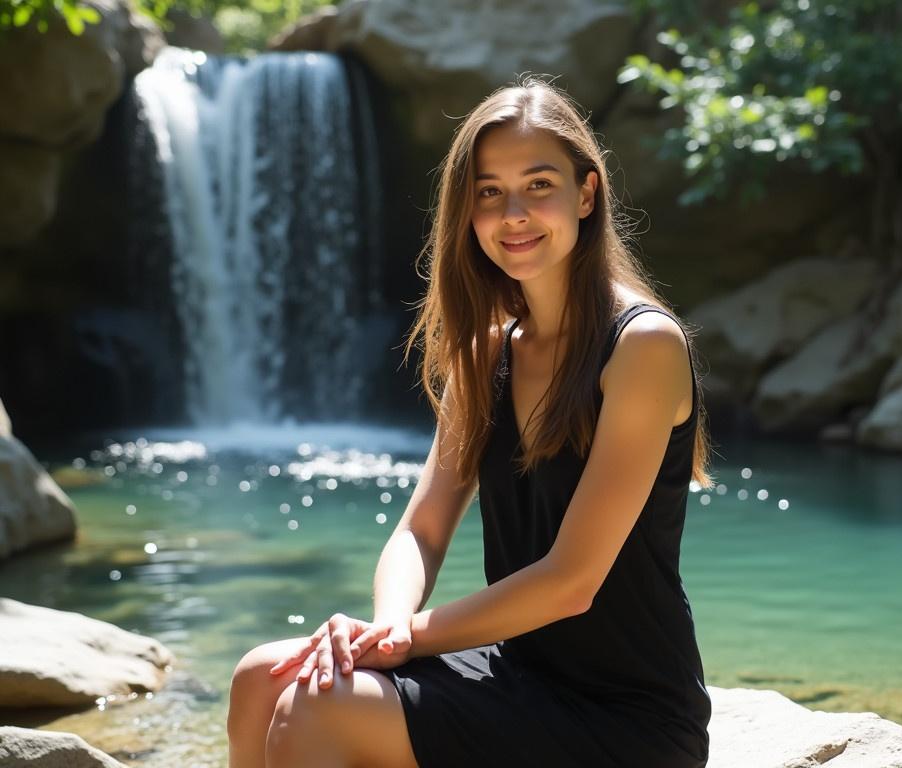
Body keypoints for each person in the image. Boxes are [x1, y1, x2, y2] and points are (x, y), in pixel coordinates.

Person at [227, 75, 714, 768]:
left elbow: (572, 581)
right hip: (519, 675)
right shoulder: (490, 351)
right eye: (489, 192)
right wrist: (391, 620)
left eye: (538, 184)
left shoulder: (641, 345)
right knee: (261, 677)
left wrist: (411, 640)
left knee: (316, 705)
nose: (513, 213)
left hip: (627, 718)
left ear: (586, 193)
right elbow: (422, 530)